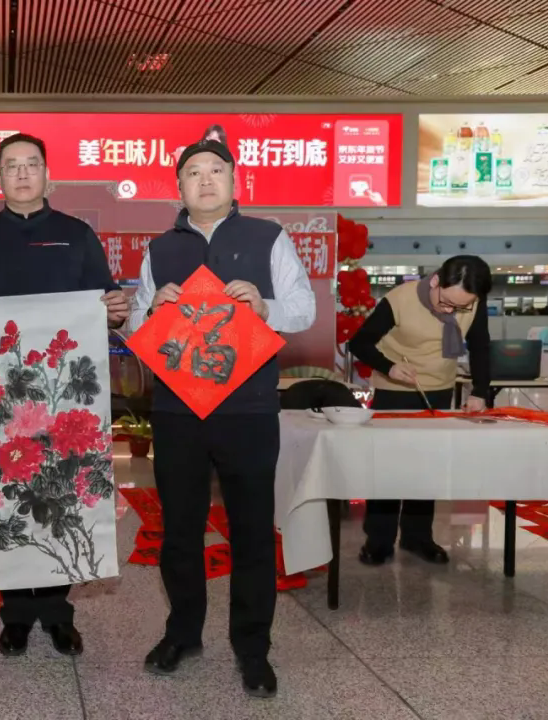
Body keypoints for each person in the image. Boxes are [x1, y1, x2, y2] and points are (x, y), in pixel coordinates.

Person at [128, 139, 316, 697]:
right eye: (193, 172)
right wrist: (150, 310)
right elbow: (134, 327)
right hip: (176, 410)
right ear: (179, 186)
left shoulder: (268, 236)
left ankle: (252, 647)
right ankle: (182, 633)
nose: (205, 180)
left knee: (252, 530)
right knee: (179, 530)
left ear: (235, 181)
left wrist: (264, 306)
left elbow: (304, 308)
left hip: (249, 409)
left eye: (216, 170)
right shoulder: (160, 248)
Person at [0, 132, 129, 658]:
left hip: (62, 391)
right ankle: (15, 614)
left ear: (48, 175)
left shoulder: (77, 235)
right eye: (12, 165)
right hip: (0, 397)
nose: (23, 173)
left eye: (32, 164)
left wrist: (116, 311)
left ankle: (57, 613)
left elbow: (106, 304)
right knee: (8, 500)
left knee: (58, 496)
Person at [349, 255, 492, 566]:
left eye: (461, 307)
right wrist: (389, 367)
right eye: (447, 303)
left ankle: (417, 537)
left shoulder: (472, 302)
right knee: (388, 468)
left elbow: (480, 346)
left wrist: (480, 391)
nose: (451, 311)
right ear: (436, 281)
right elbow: (359, 343)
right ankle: (379, 539)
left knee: (427, 467)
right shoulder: (400, 300)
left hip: (439, 390)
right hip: (394, 390)